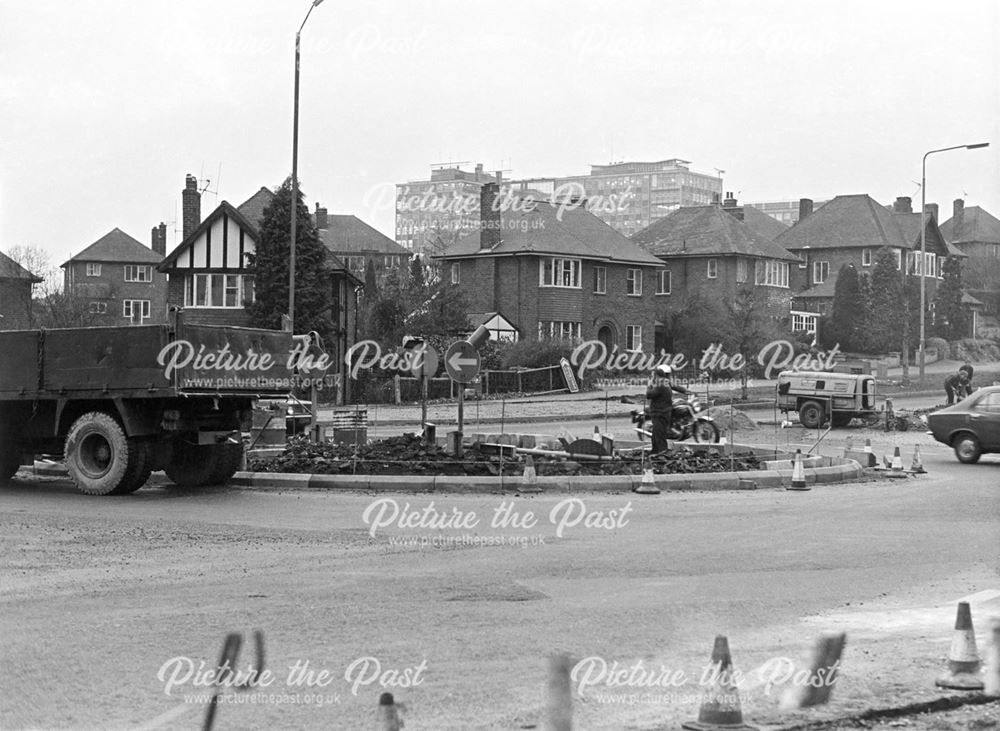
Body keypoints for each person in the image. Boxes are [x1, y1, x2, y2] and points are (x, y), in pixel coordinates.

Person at [645, 365, 689, 452]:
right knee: (656, 434)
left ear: (656, 375)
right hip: (665, 411)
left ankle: (662, 454)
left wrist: (649, 386)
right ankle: (655, 451)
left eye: (654, 375)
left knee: (660, 435)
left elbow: (649, 395)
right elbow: (676, 387)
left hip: (659, 413)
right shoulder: (665, 381)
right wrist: (686, 391)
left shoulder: (660, 384)